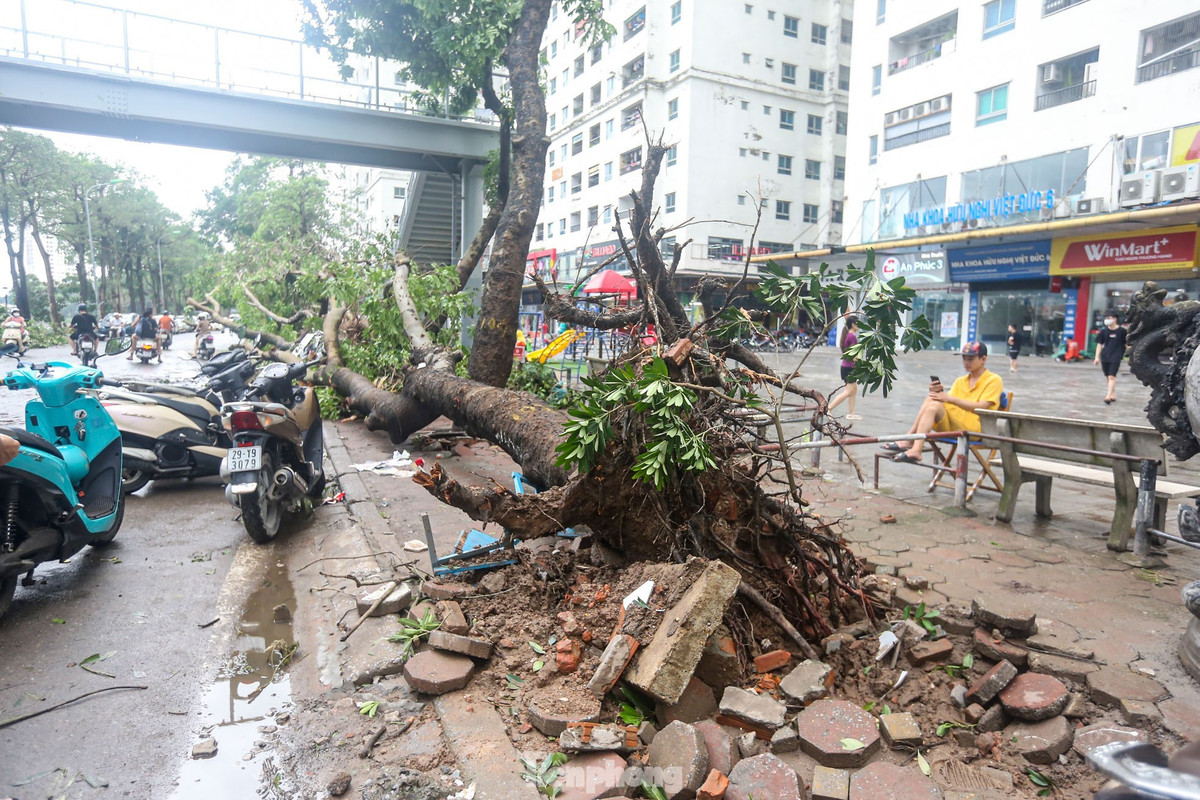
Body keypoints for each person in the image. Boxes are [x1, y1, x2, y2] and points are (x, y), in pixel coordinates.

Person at [883, 341, 1004, 463]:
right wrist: (937, 394)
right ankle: (913, 444)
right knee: (932, 400)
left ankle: (911, 441)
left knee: (934, 402)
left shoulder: (994, 380)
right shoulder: (960, 381)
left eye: (970, 359)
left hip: (976, 428)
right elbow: (947, 405)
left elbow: (981, 407)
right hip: (956, 425)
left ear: (983, 359)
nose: (966, 362)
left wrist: (949, 398)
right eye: (964, 359)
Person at [827, 317, 862, 421]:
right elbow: (854, 354)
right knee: (848, 391)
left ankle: (851, 413)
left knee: (853, 390)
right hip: (849, 367)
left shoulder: (848, 335)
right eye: (857, 323)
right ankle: (829, 408)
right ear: (853, 325)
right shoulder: (852, 337)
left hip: (846, 367)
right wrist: (859, 366)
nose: (859, 325)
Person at [1095, 311, 1128, 405]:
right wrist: (1097, 357)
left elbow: (1127, 344)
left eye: (1109, 318)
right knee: (1107, 377)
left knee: (1111, 376)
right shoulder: (1103, 331)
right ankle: (1112, 394)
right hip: (1105, 356)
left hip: (1116, 356)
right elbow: (1099, 344)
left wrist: (1130, 355)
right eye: (1106, 318)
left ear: (1115, 319)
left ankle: (1108, 396)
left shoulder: (1122, 331)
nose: (1107, 320)